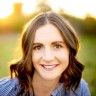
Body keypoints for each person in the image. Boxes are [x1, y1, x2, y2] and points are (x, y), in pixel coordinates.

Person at [0, 12, 91, 96]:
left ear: (70, 50)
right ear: (28, 53)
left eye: (57, 46)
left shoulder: (80, 89)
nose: (48, 57)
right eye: (37, 47)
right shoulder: (3, 91)